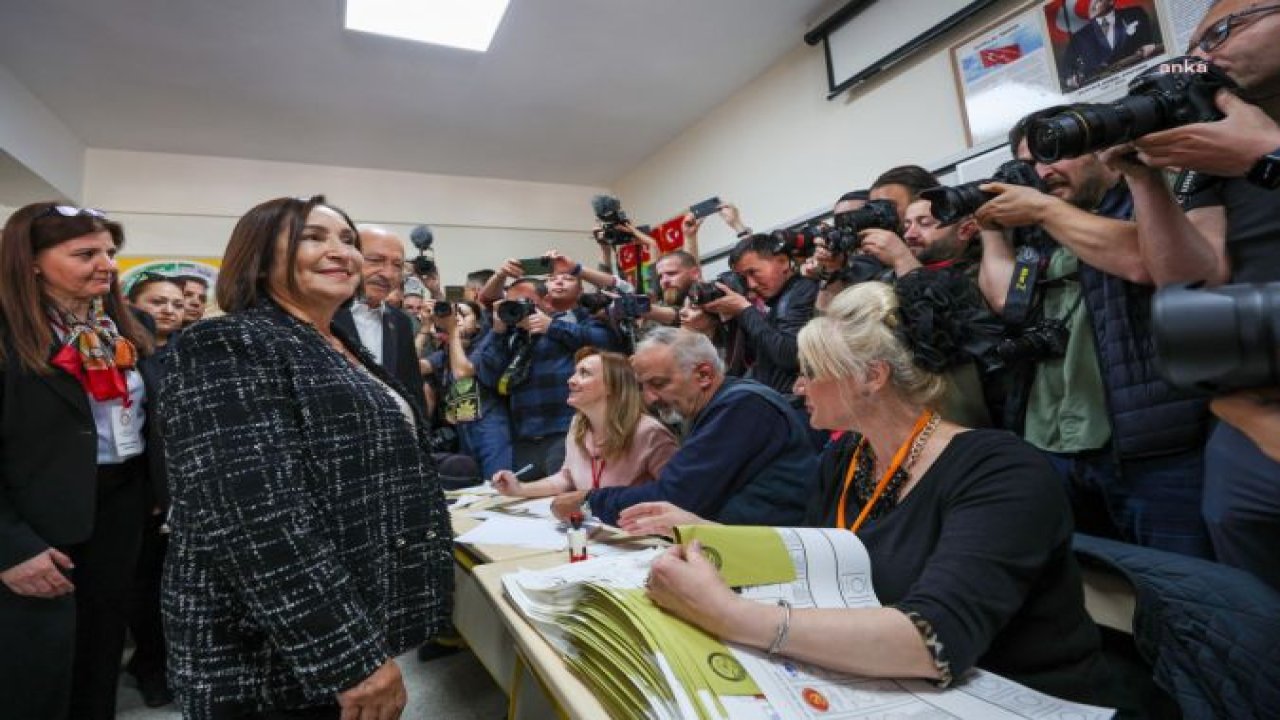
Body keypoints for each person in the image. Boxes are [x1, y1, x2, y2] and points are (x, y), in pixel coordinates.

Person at [629, 280, 1119, 707]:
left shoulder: (1001, 471)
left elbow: (932, 638)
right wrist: (699, 530)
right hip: (906, 690)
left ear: (870, 378)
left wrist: (729, 615)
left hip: (1014, 694)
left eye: (812, 372)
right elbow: (818, 561)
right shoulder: (848, 459)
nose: (799, 387)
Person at [160, 196, 453, 718]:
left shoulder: (332, 342)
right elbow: (255, 518)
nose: (341, 252)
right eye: (314, 237)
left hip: (342, 616)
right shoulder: (228, 342)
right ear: (260, 254)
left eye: (348, 240)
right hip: (275, 646)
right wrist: (349, 656)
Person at [973, 115, 1212, 559]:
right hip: (1056, 442)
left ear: (1100, 146)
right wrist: (991, 230)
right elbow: (1011, 301)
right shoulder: (1038, 229)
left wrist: (1044, 211)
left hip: (1149, 447)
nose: (1044, 173)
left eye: (1054, 151)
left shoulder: (1149, 196)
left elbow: (1145, 262)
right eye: (1031, 164)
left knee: (1186, 592)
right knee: (1098, 590)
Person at [1104, 0, 1280, 587]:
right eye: (1197, 45)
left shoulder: (1246, 146)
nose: (1205, 55)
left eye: (1225, 30)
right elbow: (1193, 283)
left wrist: (1266, 155)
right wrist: (1143, 178)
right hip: (1250, 421)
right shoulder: (1212, 156)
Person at [0, 203, 155, 720]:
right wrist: (11, 547)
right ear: (32, 261)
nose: (106, 265)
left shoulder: (129, 325)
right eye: (85, 253)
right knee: (34, 664)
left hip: (120, 505)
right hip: (35, 517)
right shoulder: (8, 331)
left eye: (110, 252)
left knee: (100, 649)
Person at [570, 327, 817, 527]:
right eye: (644, 387)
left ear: (704, 375)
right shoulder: (723, 406)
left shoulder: (742, 406)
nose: (650, 399)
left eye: (658, 383)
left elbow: (675, 498)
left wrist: (588, 501)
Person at [492, 348, 677, 515]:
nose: (571, 380)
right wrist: (520, 489)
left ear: (612, 386)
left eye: (584, 373)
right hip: (594, 530)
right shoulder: (578, 424)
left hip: (637, 538)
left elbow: (677, 495)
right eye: (575, 372)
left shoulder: (651, 433)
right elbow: (567, 478)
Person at [333, 225, 427, 417]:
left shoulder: (400, 322)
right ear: (349, 259)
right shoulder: (321, 314)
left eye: (397, 265)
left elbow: (412, 389)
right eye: (376, 261)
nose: (388, 274)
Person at [1060, 0, 1160, 90]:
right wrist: (1070, 79)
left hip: (1140, 80)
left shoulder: (1134, 13)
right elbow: (1066, 70)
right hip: (1102, 89)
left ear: (1111, 1)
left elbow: (1150, 41)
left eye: (1098, 0)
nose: (1093, 4)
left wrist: (1150, 46)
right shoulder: (1079, 37)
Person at [127, 272, 186, 351]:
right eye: (157, 302)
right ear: (129, 304)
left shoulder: (193, 347)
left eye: (178, 305)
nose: (169, 311)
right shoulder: (113, 343)